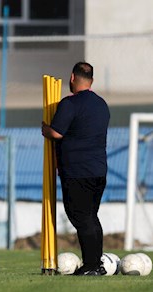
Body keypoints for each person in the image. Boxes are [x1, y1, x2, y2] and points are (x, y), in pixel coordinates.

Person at [42, 62, 110, 276]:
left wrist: (45, 128)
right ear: (91, 80)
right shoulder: (101, 104)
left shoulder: (69, 104)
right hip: (98, 170)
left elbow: (56, 132)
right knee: (91, 216)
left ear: (72, 78)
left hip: (77, 172)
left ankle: (91, 266)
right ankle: (95, 263)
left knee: (81, 217)